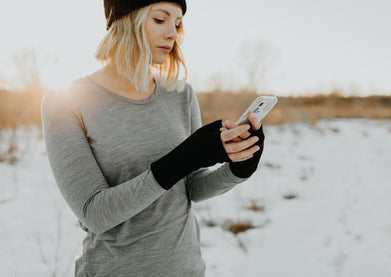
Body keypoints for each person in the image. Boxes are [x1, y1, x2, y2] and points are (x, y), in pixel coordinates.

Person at [41, 1, 265, 276]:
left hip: (188, 269)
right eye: (160, 19)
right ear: (126, 20)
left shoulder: (181, 95)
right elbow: (93, 213)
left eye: (178, 23)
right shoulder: (66, 102)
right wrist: (185, 158)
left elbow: (190, 188)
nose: (173, 33)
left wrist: (239, 168)